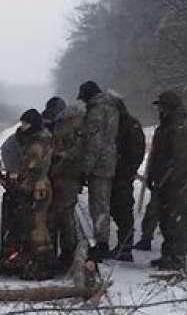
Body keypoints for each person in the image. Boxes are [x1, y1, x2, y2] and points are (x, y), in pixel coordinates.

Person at [146, 91, 187, 271]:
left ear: (169, 107)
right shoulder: (165, 127)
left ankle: (178, 258)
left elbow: (180, 159)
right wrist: (152, 177)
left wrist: (168, 177)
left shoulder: (179, 128)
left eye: (161, 106)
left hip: (177, 182)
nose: (159, 110)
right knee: (165, 219)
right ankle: (168, 255)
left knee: (176, 220)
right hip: (165, 182)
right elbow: (157, 156)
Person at [77, 80, 121, 261]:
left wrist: (85, 168)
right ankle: (102, 242)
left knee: (99, 206)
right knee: (102, 204)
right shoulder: (112, 108)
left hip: (99, 164)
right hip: (108, 161)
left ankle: (102, 245)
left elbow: (94, 144)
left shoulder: (96, 112)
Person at [43, 97, 85, 272]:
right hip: (66, 177)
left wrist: (58, 159)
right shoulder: (73, 126)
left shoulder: (65, 128)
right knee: (63, 216)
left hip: (63, 176)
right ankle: (64, 255)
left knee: (58, 216)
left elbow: (72, 153)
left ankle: (59, 255)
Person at [15, 109, 55, 280]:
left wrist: (24, 187)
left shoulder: (38, 144)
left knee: (37, 228)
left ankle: (40, 267)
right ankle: (40, 264)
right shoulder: (41, 138)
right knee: (39, 227)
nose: (22, 127)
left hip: (38, 188)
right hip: (40, 186)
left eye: (25, 124)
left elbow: (35, 169)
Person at [110, 100, 146, 262]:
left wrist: (126, 170)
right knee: (119, 209)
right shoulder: (126, 124)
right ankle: (124, 245)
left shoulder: (128, 125)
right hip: (120, 172)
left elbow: (136, 151)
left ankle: (125, 247)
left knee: (123, 209)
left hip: (122, 174)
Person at [0, 132, 25, 268]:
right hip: (19, 190)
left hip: (17, 189)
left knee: (12, 225)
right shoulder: (15, 142)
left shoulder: (13, 141)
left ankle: (12, 254)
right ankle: (14, 254)